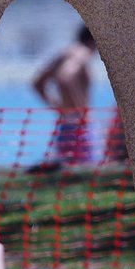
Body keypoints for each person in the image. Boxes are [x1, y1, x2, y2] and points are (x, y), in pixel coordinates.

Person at [31, 24, 96, 167]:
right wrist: (80, 110)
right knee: (85, 176)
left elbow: (37, 83)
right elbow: (65, 77)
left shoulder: (66, 52)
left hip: (65, 125)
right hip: (78, 127)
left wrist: (56, 105)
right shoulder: (82, 52)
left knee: (68, 180)